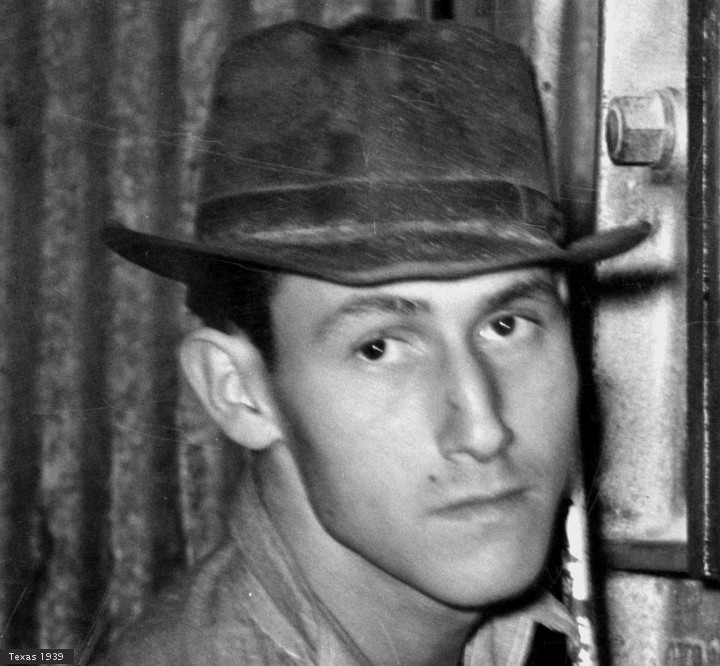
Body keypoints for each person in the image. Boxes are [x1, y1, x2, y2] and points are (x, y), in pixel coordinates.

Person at [96, 16, 649, 666]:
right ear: (238, 391)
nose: (482, 430)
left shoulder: (521, 638)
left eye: (505, 325)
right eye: (379, 347)